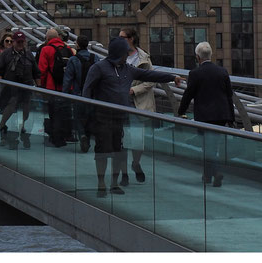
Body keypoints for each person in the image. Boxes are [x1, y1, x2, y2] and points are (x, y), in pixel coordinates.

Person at [82, 37, 181, 198]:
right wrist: (87, 112)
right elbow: (86, 91)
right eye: (124, 53)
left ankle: (114, 184)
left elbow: (149, 74)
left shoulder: (128, 69)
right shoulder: (98, 68)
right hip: (102, 117)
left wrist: (172, 77)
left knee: (117, 151)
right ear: (117, 53)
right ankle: (101, 183)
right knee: (102, 151)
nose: (127, 56)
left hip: (120, 118)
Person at [177, 41, 235, 187]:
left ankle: (215, 173)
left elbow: (188, 94)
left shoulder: (195, 73)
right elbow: (229, 95)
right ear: (211, 55)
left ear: (198, 57)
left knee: (207, 146)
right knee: (212, 146)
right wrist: (231, 118)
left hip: (204, 116)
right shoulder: (222, 72)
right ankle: (207, 176)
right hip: (221, 115)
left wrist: (180, 111)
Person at [0, 30, 39, 149]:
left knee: (27, 110)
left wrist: (39, 89)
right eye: (17, 42)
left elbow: (36, 73)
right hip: (10, 89)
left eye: (22, 42)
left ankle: (24, 132)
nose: (20, 44)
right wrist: (0, 86)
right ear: (13, 42)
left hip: (26, 88)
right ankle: (4, 129)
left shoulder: (28, 55)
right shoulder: (6, 54)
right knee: (10, 109)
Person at [120, 28, 154, 184]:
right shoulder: (116, 57)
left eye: (122, 37)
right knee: (121, 139)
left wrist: (134, 90)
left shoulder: (144, 58)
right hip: (120, 103)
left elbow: (150, 81)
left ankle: (135, 163)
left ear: (131, 39)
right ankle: (124, 173)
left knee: (138, 140)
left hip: (137, 103)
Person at [62, 35, 100, 153]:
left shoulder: (73, 60)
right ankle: (87, 138)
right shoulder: (96, 58)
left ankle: (82, 136)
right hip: (93, 96)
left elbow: (67, 80)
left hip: (78, 94)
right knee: (90, 119)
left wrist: (64, 95)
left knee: (78, 118)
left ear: (77, 45)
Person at [36, 27, 72, 147]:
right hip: (67, 88)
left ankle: (56, 139)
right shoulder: (68, 49)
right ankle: (65, 136)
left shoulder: (46, 49)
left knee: (54, 113)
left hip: (52, 88)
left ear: (47, 38)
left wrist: (41, 86)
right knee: (65, 112)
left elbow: (42, 70)